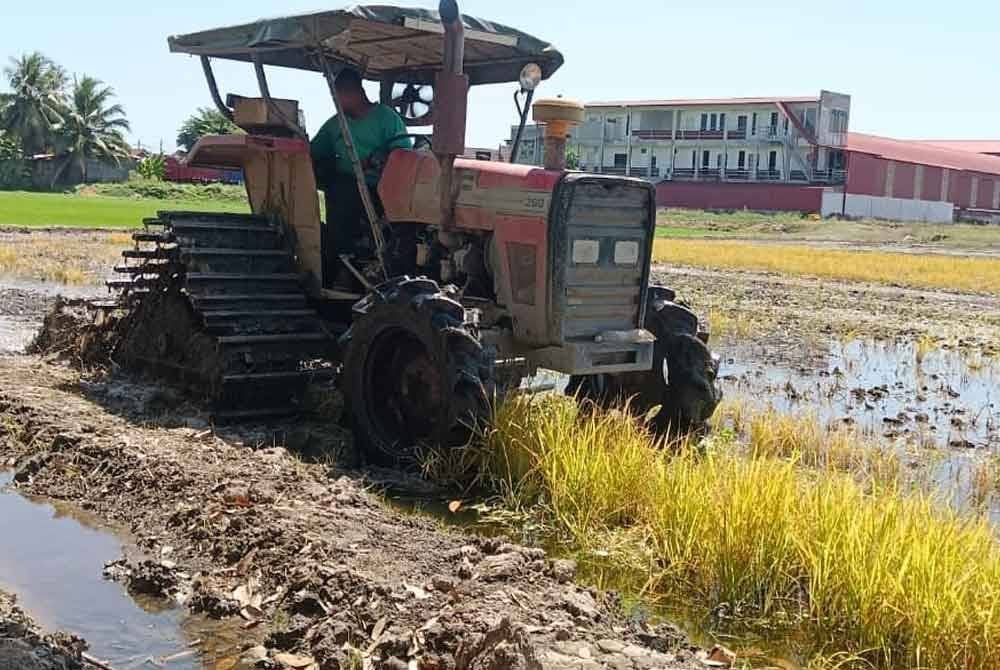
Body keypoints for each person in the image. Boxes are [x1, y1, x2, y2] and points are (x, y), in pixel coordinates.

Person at [310, 68, 412, 287]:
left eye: (339, 97)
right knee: (339, 190)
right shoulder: (335, 124)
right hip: (346, 185)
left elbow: (403, 154)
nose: (337, 103)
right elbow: (314, 151)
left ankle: (356, 266)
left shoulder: (386, 118)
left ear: (354, 93)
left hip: (381, 188)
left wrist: (376, 160)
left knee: (345, 195)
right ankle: (336, 268)